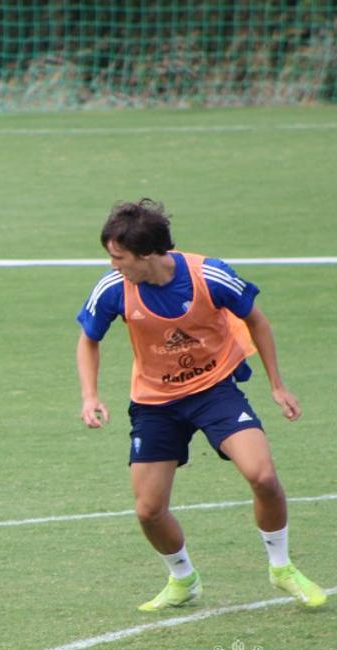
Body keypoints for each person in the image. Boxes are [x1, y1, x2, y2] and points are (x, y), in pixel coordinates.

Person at [75, 199, 326, 611]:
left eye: (119, 257)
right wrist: (90, 395)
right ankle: (183, 579)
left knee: (262, 476)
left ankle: (281, 568)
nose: (112, 265)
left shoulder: (208, 275)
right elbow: (89, 339)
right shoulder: (113, 288)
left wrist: (277, 385)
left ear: (149, 253)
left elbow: (256, 320)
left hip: (215, 391)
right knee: (149, 511)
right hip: (155, 403)